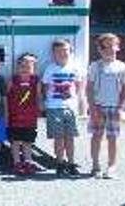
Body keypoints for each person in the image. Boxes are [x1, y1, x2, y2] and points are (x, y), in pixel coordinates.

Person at [87, 33, 125, 180]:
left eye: (111, 46)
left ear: (117, 48)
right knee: (96, 136)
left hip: (114, 108)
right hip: (98, 107)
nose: (108, 49)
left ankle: (111, 167)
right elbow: (89, 89)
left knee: (113, 137)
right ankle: (95, 166)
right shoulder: (94, 66)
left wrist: (120, 108)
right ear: (99, 49)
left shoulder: (122, 67)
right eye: (104, 47)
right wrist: (92, 109)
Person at [42, 38, 85, 177]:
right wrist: (45, 103)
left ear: (70, 51)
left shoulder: (75, 68)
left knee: (70, 137)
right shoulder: (50, 68)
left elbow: (79, 88)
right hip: (54, 107)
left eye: (65, 50)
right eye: (58, 51)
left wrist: (80, 105)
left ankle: (71, 163)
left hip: (70, 107)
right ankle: (60, 163)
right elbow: (45, 87)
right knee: (58, 138)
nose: (62, 53)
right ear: (53, 54)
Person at [7, 53, 41, 176]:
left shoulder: (35, 80)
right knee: (15, 141)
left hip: (30, 117)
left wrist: (39, 110)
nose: (26, 67)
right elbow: (7, 95)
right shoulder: (13, 79)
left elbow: (38, 96)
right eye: (23, 64)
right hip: (15, 116)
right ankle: (16, 162)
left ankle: (28, 161)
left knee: (28, 141)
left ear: (34, 67)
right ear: (18, 66)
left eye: (29, 65)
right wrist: (6, 113)